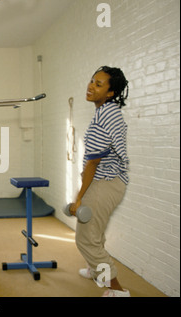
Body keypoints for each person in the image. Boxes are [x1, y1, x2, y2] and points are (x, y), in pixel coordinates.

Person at [70, 66, 130, 297]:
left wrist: (79, 197)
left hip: (104, 182)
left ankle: (116, 289)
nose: (91, 86)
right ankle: (95, 270)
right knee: (95, 233)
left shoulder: (106, 115)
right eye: (92, 80)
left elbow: (92, 163)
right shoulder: (107, 111)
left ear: (110, 93)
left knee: (86, 240)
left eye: (99, 84)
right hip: (110, 181)